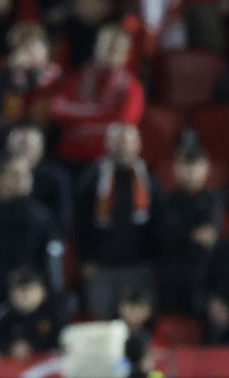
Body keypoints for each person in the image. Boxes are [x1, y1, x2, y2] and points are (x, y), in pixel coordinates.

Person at [0, 156, 62, 325]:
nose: (23, 180)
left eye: (27, 175)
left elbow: (50, 267)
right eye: (15, 175)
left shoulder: (41, 218)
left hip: (30, 303)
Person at [74, 122, 155, 318]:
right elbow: (79, 222)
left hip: (138, 265)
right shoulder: (92, 178)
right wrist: (85, 259)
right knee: (101, 321)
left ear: (138, 145)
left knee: (135, 322)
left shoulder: (148, 178)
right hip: (101, 268)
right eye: (117, 142)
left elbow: (157, 222)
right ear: (107, 144)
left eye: (127, 142)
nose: (123, 147)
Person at [50, 24, 145, 171]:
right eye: (106, 47)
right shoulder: (77, 77)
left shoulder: (131, 88)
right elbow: (57, 108)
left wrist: (78, 118)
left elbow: (122, 125)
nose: (110, 53)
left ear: (126, 55)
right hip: (68, 156)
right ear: (96, 48)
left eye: (117, 50)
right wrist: (99, 111)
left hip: (107, 161)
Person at [154, 144, 222, 317]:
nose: (191, 172)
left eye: (196, 166)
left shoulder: (213, 200)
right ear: (176, 169)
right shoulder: (167, 200)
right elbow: (163, 238)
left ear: (206, 169)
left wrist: (180, 233)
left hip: (203, 278)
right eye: (185, 165)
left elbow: (208, 238)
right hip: (171, 278)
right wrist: (191, 234)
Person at [0, 266, 63, 360]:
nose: (24, 295)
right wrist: (9, 347)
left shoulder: (52, 315)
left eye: (29, 289)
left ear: (42, 293)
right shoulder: (3, 316)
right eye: (18, 290)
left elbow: (62, 341)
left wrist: (34, 348)